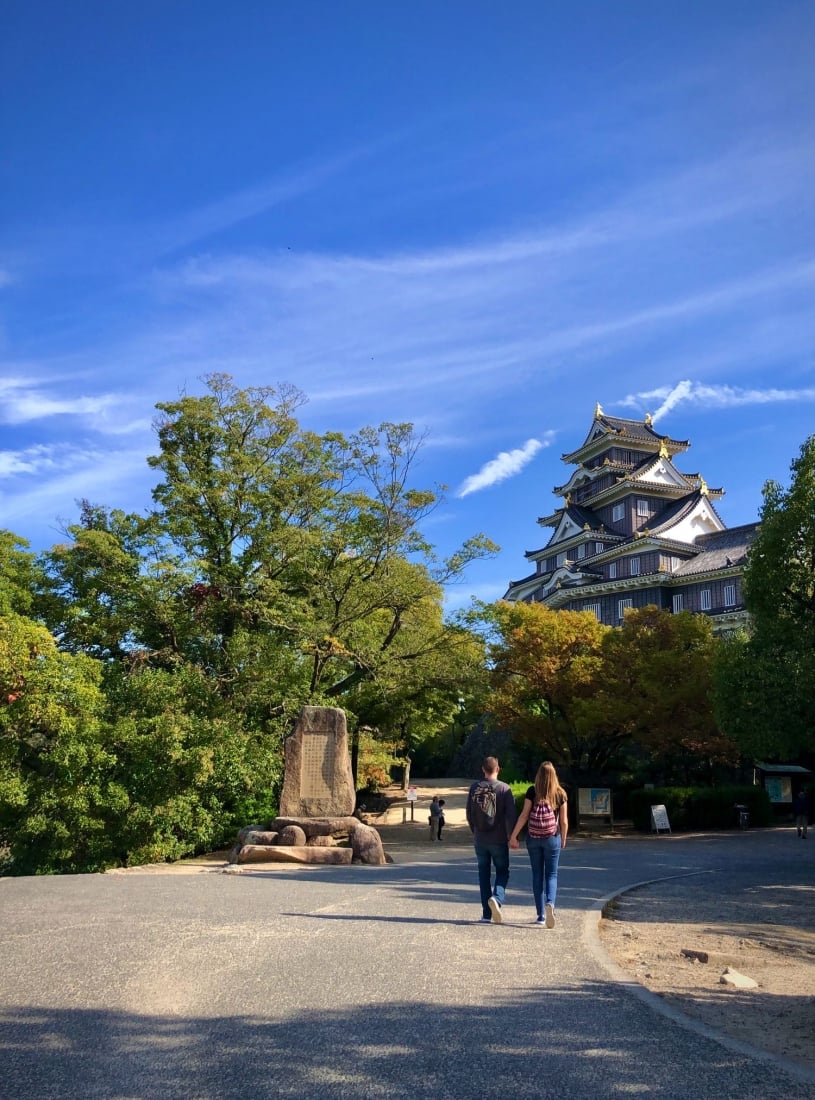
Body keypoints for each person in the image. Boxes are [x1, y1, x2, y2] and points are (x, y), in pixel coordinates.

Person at [509, 761, 568, 927]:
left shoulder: (532, 791)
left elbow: (524, 815)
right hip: (552, 837)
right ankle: (551, 903)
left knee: (537, 875)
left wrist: (514, 836)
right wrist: (563, 837)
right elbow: (563, 820)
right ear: (554, 775)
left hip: (533, 838)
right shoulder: (560, 793)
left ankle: (541, 915)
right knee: (551, 874)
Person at [467, 756, 518, 923]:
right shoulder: (504, 789)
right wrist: (512, 836)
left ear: (483, 769)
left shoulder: (474, 788)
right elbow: (511, 815)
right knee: (503, 871)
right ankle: (497, 898)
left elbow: (469, 813)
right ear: (498, 769)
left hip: (480, 839)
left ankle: (486, 914)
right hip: (498, 839)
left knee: (483, 875)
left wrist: (475, 831)